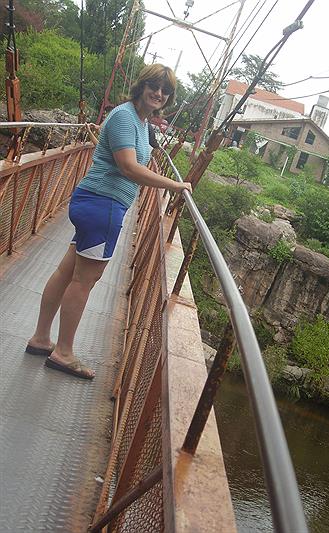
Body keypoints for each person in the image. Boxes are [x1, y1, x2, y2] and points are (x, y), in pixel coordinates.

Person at [26, 64, 192, 380]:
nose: (159, 94)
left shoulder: (140, 122)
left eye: (165, 90)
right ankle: (63, 353)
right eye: (154, 86)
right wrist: (174, 185)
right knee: (84, 280)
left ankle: (41, 339)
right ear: (142, 86)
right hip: (103, 206)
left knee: (67, 272)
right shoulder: (125, 117)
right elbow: (128, 167)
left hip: (98, 203)